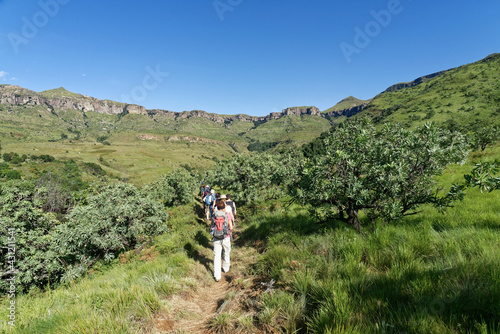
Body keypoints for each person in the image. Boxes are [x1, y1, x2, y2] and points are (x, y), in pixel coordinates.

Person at [211, 199, 233, 282]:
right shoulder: (227, 215)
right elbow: (230, 227)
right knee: (226, 252)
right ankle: (226, 268)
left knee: (217, 256)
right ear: (224, 207)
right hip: (225, 237)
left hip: (216, 238)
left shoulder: (214, 215)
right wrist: (230, 232)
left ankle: (217, 276)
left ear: (217, 207)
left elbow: (212, 226)